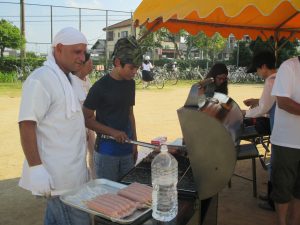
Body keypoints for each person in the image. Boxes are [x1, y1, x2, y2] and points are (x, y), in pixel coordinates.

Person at [18, 27, 90, 225]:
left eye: (84, 52)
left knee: (56, 220)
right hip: (56, 177)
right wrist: (36, 168)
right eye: (77, 51)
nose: (82, 57)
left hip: (74, 173)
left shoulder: (70, 79)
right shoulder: (40, 79)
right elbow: (26, 124)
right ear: (58, 49)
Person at [83, 36, 143, 182]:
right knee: (107, 196)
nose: (135, 72)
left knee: (127, 194)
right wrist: (113, 132)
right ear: (117, 62)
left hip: (127, 150)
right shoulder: (100, 87)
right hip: (106, 153)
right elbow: (86, 119)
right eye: (131, 67)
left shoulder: (130, 84)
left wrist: (134, 143)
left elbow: (130, 114)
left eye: (137, 68)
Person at [242, 50, 277, 211]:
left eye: (257, 69)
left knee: (275, 164)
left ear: (263, 67)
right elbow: (270, 101)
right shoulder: (279, 79)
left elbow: (264, 107)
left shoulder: (271, 81)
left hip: (278, 128)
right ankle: (272, 195)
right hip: (278, 126)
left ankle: (273, 200)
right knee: (275, 163)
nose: (257, 73)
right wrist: (256, 100)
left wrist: (244, 113)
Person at [270, 56, 300, 225]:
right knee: (283, 188)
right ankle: (282, 223)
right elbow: (283, 102)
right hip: (287, 142)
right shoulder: (289, 67)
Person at [71, 52, 96, 179]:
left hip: (90, 124)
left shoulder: (87, 80)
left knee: (94, 153)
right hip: (79, 126)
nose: (92, 65)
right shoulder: (71, 82)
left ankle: (93, 178)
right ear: (81, 65)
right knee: (80, 155)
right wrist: (83, 129)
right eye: (90, 63)